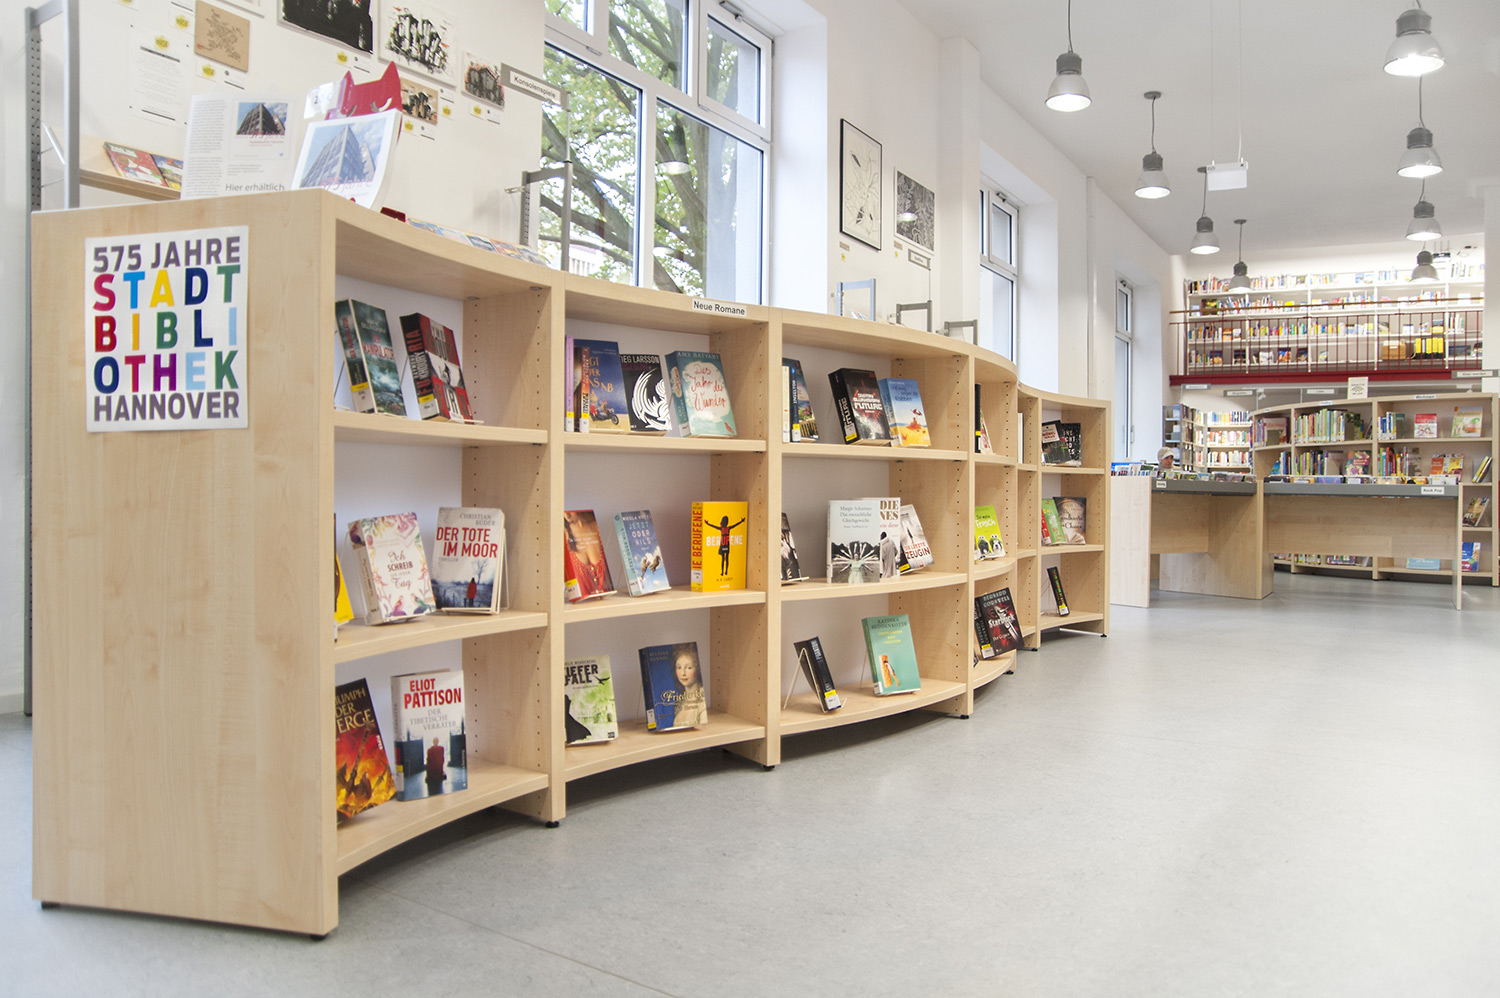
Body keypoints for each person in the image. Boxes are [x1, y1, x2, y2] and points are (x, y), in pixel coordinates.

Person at [669, 645, 708, 728]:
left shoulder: (703, 699)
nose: (683, 673)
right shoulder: (681, 700)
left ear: (698, 669)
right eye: (679, 667)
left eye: (689, 667)